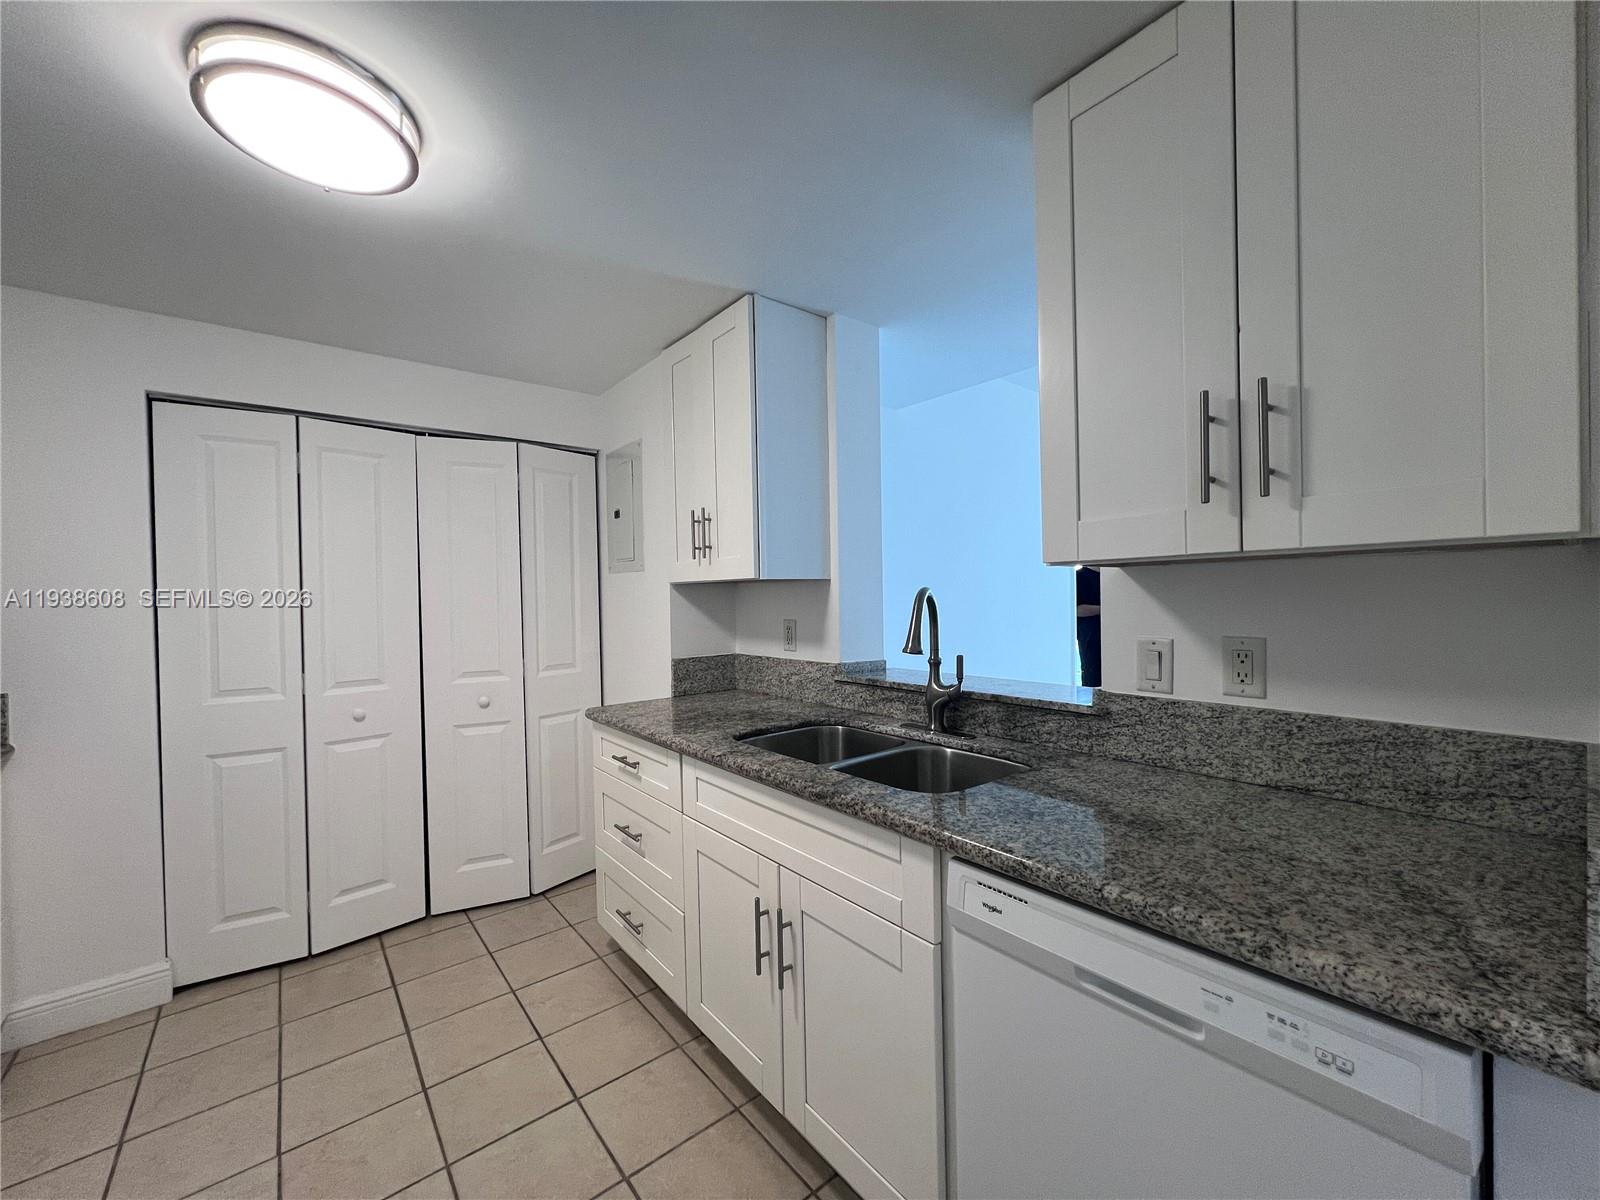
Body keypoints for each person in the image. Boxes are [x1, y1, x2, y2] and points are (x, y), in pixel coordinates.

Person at [1075, 566, 1101, 687]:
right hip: (1089, 633)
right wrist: (1106, 608)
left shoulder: (1111, 576)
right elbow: (1077, 609)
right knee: (1092, 673)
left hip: (1109, 631)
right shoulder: (1080, 576)